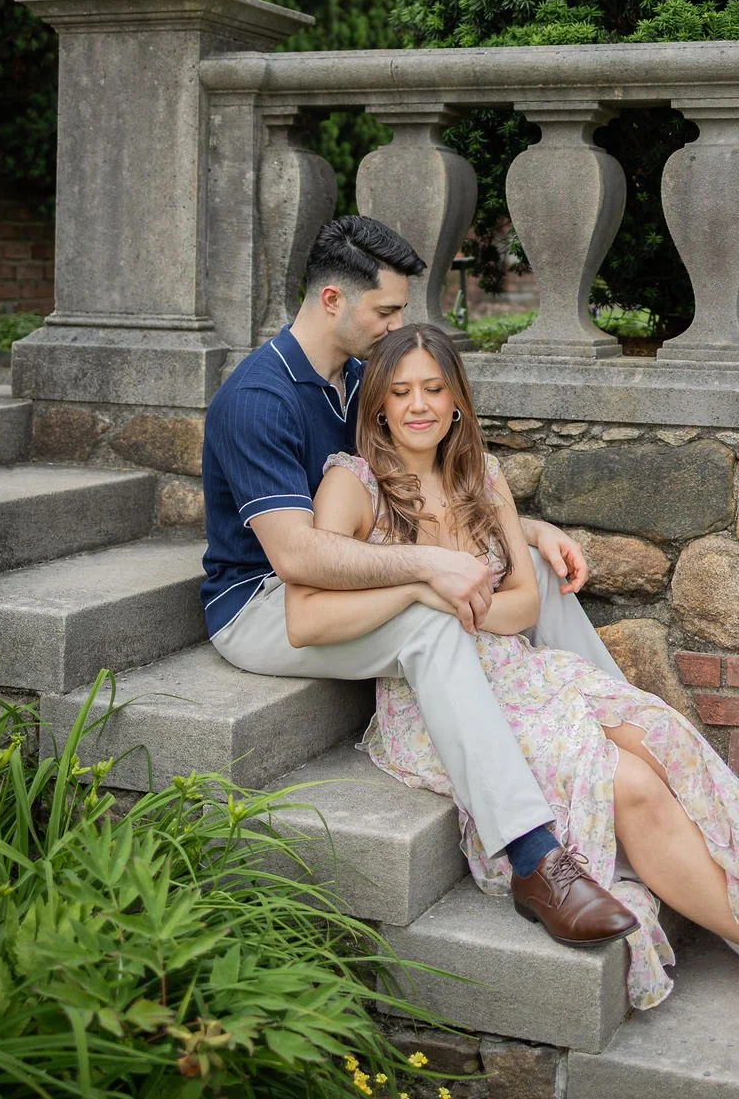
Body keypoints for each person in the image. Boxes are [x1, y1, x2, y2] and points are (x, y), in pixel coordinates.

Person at [306, 320, 739, 1037]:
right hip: (439, 705)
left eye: (434, 389)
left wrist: (467, 603)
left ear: (457, 400)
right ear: (378, 403)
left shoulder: (480, 474)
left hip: (523, 673)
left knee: (665, 734)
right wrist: (422, 584)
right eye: (402, 391)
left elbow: (525, 604)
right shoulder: (351, 488)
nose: (418, 405)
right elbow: (313, 614)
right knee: (627, 786)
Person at [202, 214, 637, 948]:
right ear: (334, 302)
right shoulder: (259, 400)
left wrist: (524, 533)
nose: (399, 325)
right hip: (263, 605)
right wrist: (424, 570)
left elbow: (406, 491)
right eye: (387, 311)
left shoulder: (349, 380)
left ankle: (625, 727)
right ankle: (533, 857)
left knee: (529, 570)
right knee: (430, 619)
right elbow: (298, 560)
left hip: (341, 575)